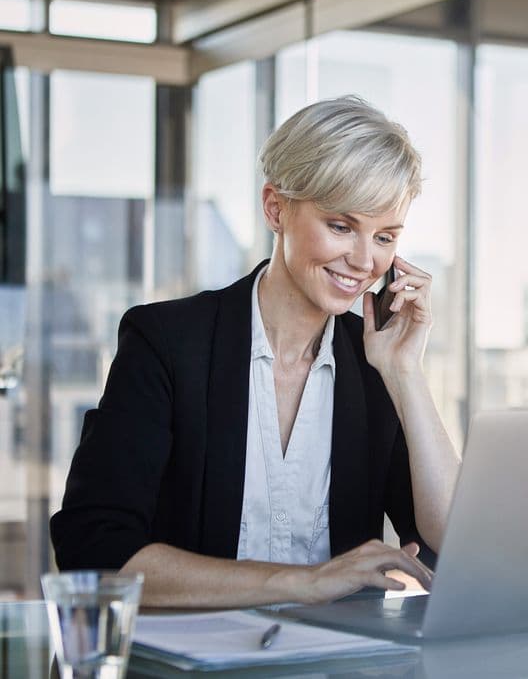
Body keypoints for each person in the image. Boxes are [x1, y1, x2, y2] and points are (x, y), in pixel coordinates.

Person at [50, 96, 461, 608]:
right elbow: (93, 549)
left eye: (384, 236)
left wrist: (405, 374)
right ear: (275, 208)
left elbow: (459, 548)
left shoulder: (374, 367)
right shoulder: (167, 343)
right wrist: (300, 582)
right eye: (341, 226)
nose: (364, 260)